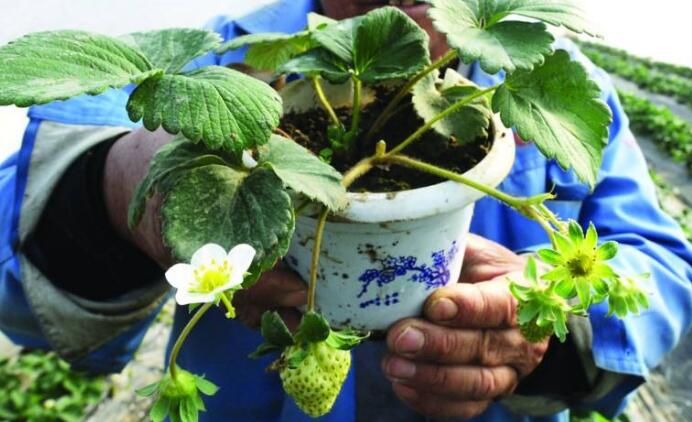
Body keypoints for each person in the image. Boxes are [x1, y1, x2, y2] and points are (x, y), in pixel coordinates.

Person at [0, 0, 690, 420]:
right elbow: (17, 294)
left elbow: (661, 267)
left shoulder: (556, 84)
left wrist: (555, 334)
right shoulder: (220, 60)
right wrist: (117, 190)